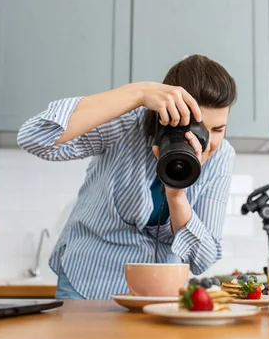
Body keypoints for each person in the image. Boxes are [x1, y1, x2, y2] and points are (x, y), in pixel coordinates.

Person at [17, 54, 237, 300]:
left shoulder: (221, 156)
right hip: (86, 279)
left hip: (160, 294)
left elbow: (203, 258)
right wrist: (138, 93)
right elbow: (35, 137)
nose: (206, 142)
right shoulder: (127, 124)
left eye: (218, 129)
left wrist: (177, 196)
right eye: (196, 126)